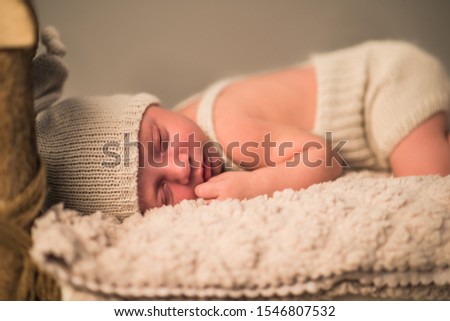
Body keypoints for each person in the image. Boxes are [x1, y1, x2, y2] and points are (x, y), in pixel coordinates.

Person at [34, 27, 450, 220]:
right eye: (162, 192)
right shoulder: (188, 135)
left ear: (153, 106)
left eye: (160, 142)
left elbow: (324, 157)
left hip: (384, 82)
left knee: (424, 192)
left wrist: (253, 186)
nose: (180, 169)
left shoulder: (224, 124)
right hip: (378, 99)